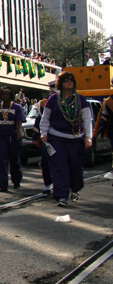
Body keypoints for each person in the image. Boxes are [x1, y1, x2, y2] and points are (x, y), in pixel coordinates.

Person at [40, 72, 93, 206]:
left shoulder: (81, 99)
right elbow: (45, 118)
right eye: (66, 80)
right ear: (60, 83)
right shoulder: (53, 99)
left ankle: (75, 188)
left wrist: (88, 137)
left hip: (76, 138)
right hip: (56, 138)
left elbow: (87, 120)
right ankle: (61, 196)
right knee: (59, 167)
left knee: (76, 168)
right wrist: (43, 133)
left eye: (71, 80)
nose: (69, 82)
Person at [0, 86, 25, 192]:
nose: (5, 96)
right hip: (1, 136)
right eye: (3, 94)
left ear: (11, 95)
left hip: (13, 136)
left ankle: (16, 181)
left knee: (14, 159)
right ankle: (2, 184)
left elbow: (19, 121)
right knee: (2, 159)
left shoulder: (17, 107)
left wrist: (19, 132)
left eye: (7, 94)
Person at [34, 81, 58, 193]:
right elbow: (38, 119)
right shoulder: (43, 104)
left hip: (61, 137)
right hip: (47, 138)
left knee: (60, 161)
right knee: (45, 161)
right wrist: (35, 136)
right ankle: (48, 183)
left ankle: (61, 183)